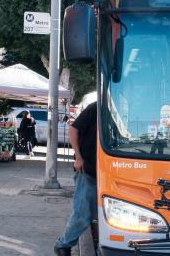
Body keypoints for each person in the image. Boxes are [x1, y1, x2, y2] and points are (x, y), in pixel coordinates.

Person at [54, 102, 97, 256]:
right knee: (82, 213)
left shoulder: (115, 112)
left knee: (93, 213)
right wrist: (78, 157)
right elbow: (73, 129)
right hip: (87, 170)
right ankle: (63, 245)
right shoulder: (96, 107)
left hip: (103, 171)